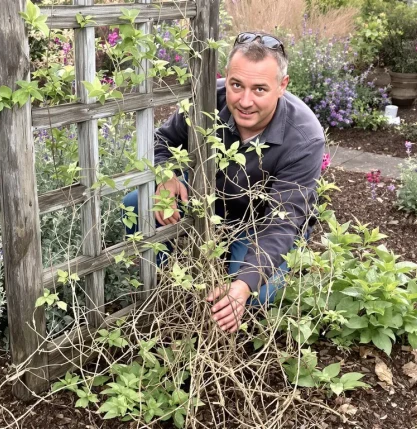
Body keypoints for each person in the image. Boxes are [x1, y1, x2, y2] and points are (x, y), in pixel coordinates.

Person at [123, 31, 325, 333]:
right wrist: (166, 176)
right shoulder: (207, 100)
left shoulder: (305, 137)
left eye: (259, 89)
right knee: (135, 204)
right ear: (226, 78)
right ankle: (167, 287)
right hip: (210, 202)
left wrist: (243, 286)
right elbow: (162, 139)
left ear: (282, 86)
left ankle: (235, 269)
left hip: (261, 222)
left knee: (258, 292)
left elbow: (284, 221)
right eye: (236, 85)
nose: (244, 101)